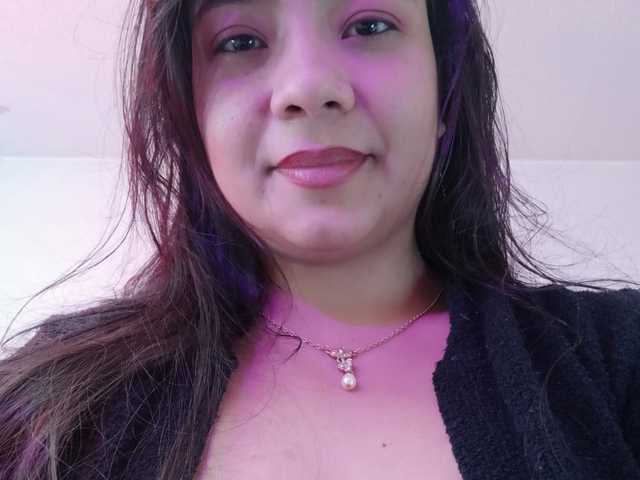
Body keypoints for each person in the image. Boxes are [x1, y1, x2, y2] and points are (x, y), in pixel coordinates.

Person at [1, 0, 639, 478]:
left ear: (445, 90)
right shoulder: (51, 404)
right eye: (240, 40)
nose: (309, 89)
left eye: (369, 25)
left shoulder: (620, 359)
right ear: (188, 116)